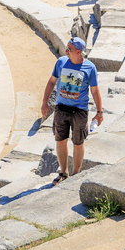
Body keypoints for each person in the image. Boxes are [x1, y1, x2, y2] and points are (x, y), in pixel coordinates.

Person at [41, 37, 103, 186]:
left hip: (79, 111)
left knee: (78, 143)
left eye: (69, 49)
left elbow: (95, 91)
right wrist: (44, 103)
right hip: (61, 108)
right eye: (67, 48)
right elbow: (51, 82)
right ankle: (63, 172)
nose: (66, 51)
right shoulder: (61, 62)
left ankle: (75, 174)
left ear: (78, 52)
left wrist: (99, 112)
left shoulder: (89, 68)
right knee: (60, 141)